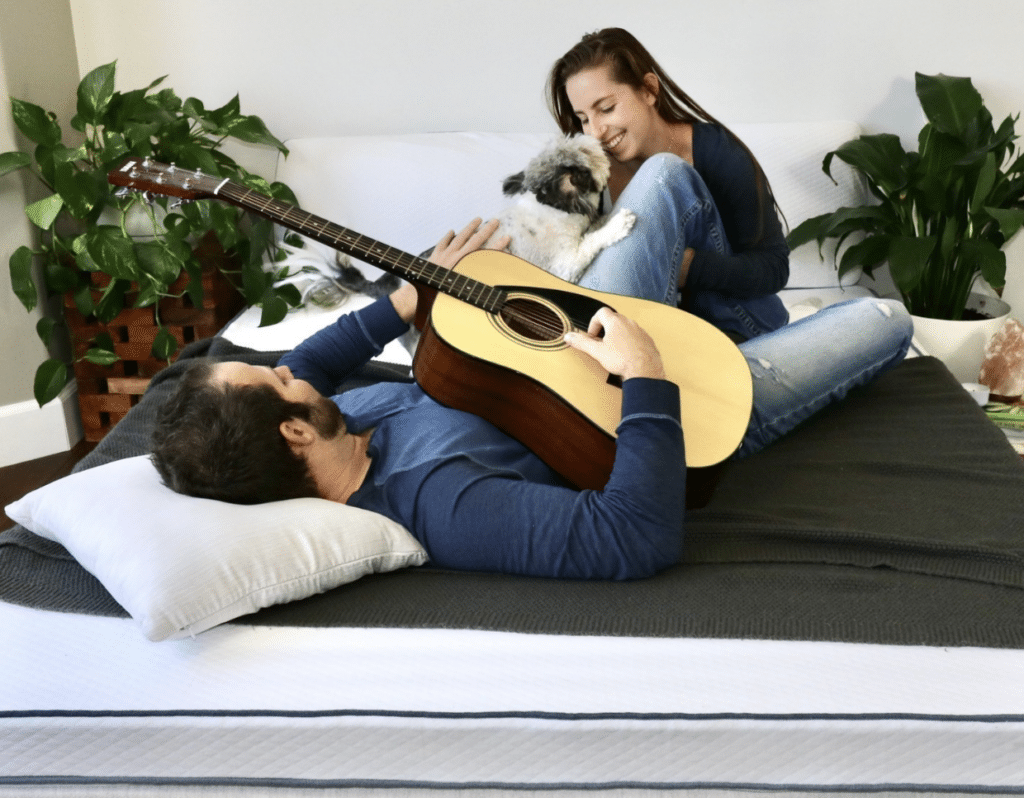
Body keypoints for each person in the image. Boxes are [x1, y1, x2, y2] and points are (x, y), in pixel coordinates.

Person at [152, 218, 914, 583]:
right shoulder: (442, 504)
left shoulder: (347, 427)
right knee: (884, 318)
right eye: (283, 384)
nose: (295, 370)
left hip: (588, 345)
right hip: (665, 412)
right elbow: (633, 539)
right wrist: (646, 371)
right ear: (292, 433)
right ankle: (729, 337)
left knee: (657, 188)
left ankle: (715, 318)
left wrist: (402, 303)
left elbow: (309, 357)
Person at [547, 27, 789, 342]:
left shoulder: (716, 153)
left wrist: (680, 265)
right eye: (583, 118)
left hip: (736, 328)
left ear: (648, 90)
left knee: (662, 171)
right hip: (649, 330)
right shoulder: (589, 173)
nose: (595, 132)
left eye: (606, 109)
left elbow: (773, 268)